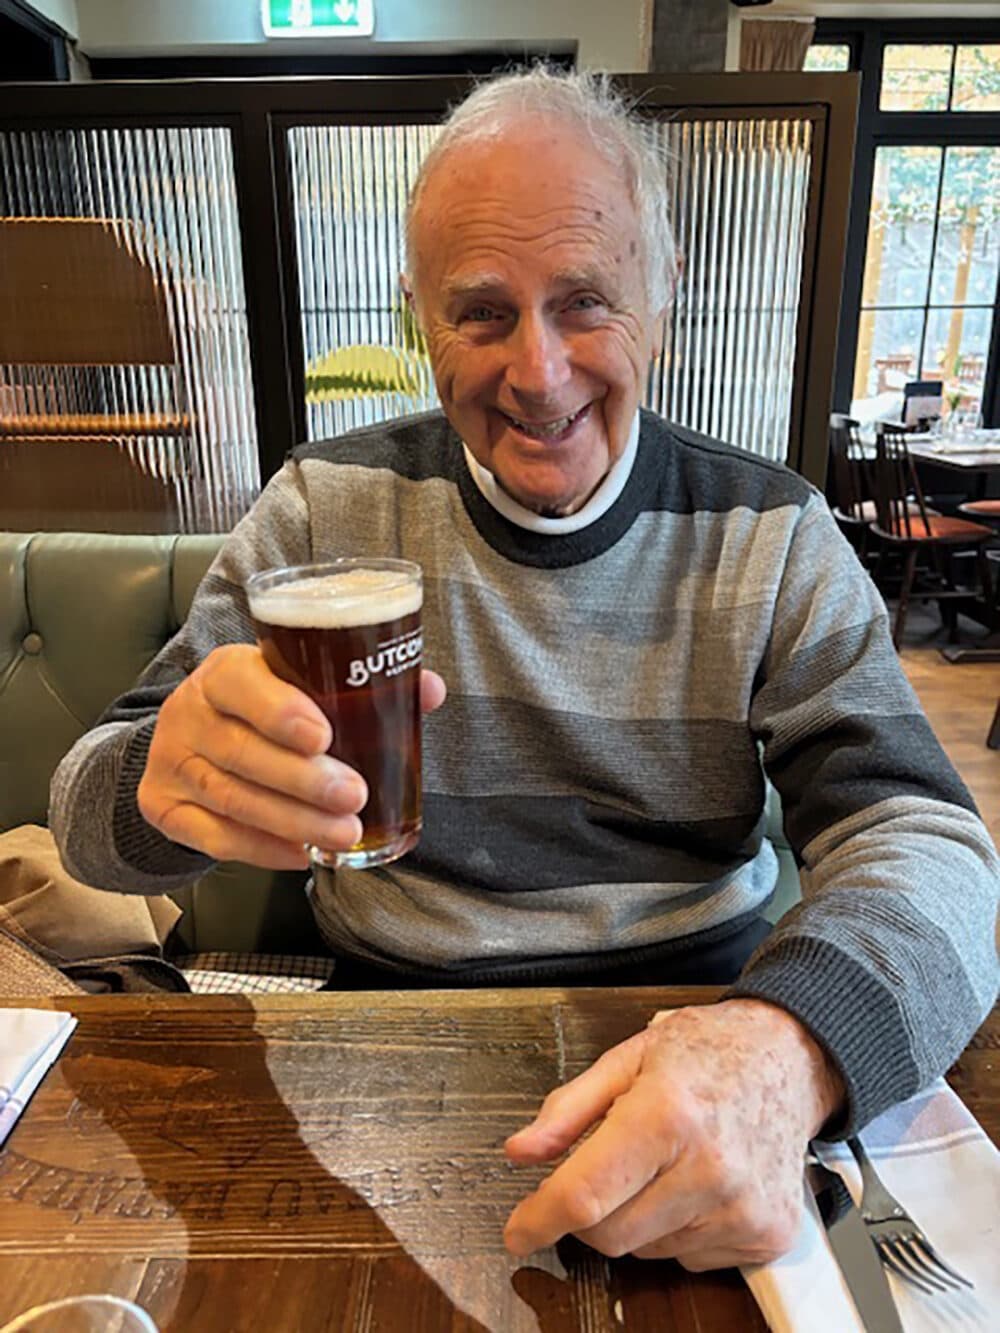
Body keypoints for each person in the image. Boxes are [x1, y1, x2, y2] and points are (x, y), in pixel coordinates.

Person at [50, 67, 998, 1273]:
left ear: (662, 301)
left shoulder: (774, 533)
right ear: (421, 320)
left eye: (586, 302)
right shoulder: (319, 507)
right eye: (482, 312)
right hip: (381, 1028)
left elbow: (929, 840)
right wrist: (157, 781)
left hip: (701, 1035)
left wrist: (786, 1047)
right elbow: (83, 819)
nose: (537, 373)